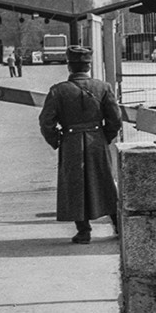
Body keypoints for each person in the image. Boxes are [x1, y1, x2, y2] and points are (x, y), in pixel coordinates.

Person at [37, 45, 122, 243]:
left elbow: (45, 122)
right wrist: (104, 137)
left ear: (69, 66)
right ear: (89, 65)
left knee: (74, 185)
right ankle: (118, 226)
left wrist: (57, 140)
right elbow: (115, 119)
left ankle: (83, 231)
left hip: (71, 141)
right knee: (105, 182)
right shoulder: (103, 87)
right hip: (97, 141)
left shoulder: (58, 91)